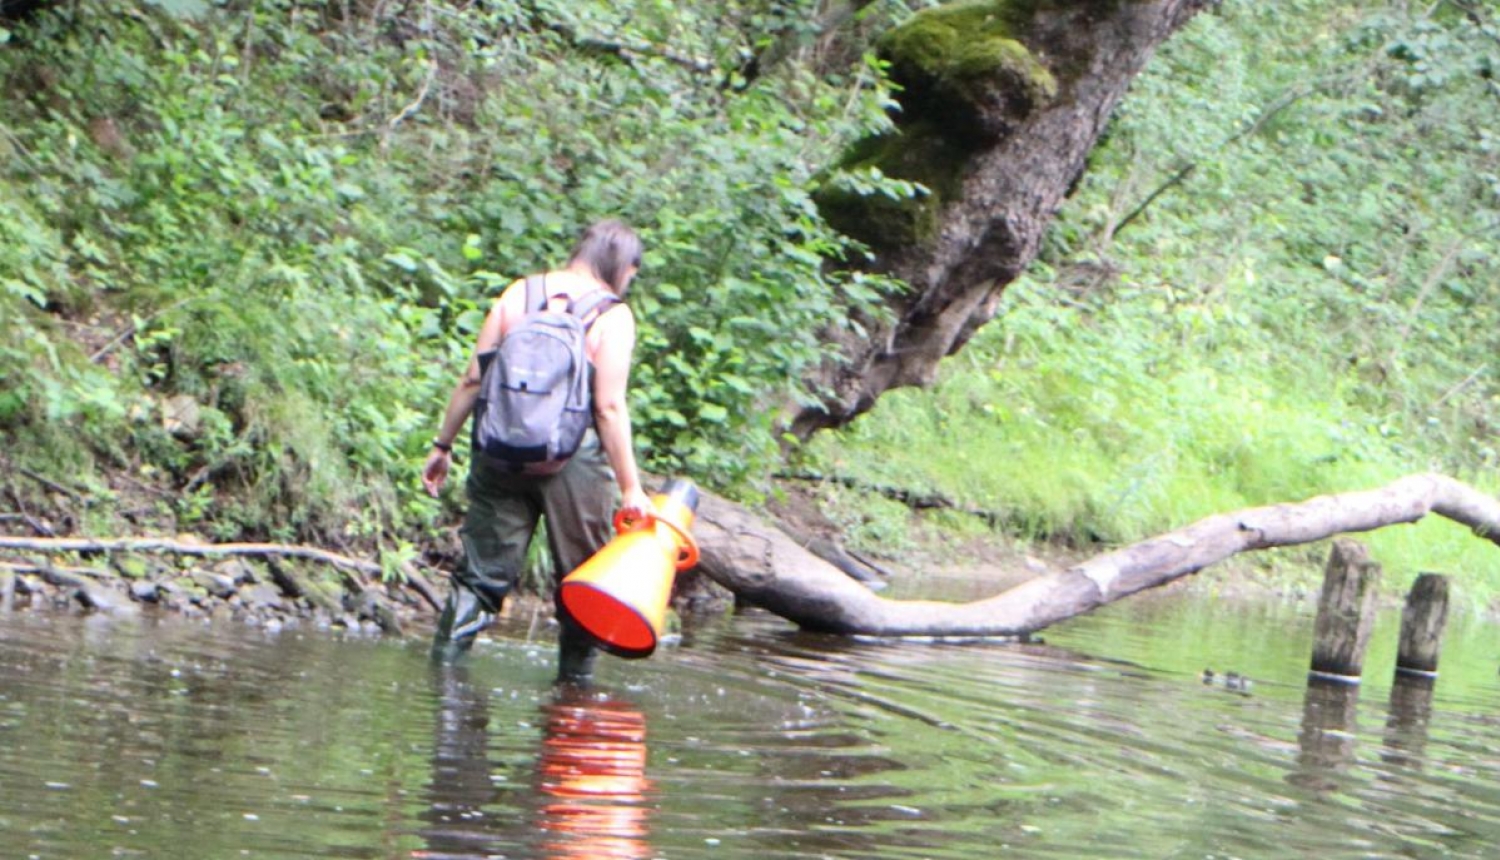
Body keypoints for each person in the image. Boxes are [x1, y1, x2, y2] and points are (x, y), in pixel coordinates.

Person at [422, 219, 653, 681]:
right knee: (585, 582)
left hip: (498, 450)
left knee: (478, 577)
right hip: (574, 462)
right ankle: (573, 698)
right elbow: (607, 406)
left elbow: (473, 378)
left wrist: (442, 444)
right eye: (632, 272)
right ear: (621, 265)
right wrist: (632, 487)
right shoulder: (612, 315)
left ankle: (441, 684)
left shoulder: (518, 295)